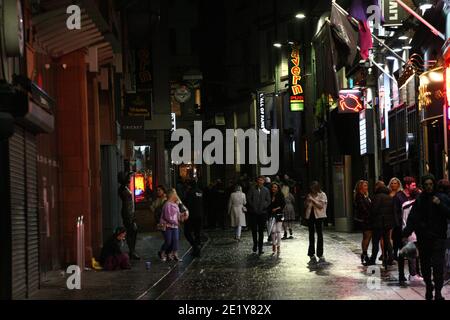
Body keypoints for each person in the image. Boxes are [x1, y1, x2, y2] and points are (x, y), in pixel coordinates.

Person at [403, 174, 450, 300]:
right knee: (425, 266)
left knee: (438, 266)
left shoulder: (442, 197)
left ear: (433, 184)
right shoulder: (420, 200)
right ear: (423, 186)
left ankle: (438, 292)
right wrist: (406, 232)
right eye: (426, 184)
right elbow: (412, 218)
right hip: (424, 239)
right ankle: (429, 287)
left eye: (431, 184)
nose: (429, 187)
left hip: (438, 238)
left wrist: (439, 204)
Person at [367, 181, 394, 267]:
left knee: (375, 242)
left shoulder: (377, 197)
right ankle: (390, 258)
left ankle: (373, 259)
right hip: (387, 224)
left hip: (378, 223)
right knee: (387, 241)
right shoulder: (389, 197)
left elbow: (373, 210)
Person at [398, 188, 423, 283]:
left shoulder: (405, 204)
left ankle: (414, 274)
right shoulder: (416, 205)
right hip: (413, 232)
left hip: (405, 230)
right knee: (414, 255)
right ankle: (413, 274)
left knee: (410, 254)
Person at [246, 176, 271, 255]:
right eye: (259, 180)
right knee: (254, 230)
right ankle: (255, 245)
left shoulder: (266, 190)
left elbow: (268, 200)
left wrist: (264, 205)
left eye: (262, 180)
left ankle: (260, 248)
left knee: (261, 231)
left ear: (263, 181)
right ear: (257, 181)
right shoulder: (252, 189)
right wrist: (253, 205)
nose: (260, 181)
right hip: (253, 213)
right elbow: (248, 198)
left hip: (262, 213)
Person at [305, 181, 328, 264]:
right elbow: (306, 205)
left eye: (314, 188)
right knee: (311, 235)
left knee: (320, 234)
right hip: (310, 215)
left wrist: (312, 200)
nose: (312, 189)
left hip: (319, 216)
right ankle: (311, 253)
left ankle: (320, 254)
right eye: (311, 188)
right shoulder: (309, 194)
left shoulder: (322, 194)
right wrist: (307, 202)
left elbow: (321, 206)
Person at [118, 172, 140, 260]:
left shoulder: (126, 187)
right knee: (132, 231)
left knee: (133, 231)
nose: (129, 179)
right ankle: (132, 251)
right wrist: (128, 175)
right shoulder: (122, 189)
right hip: (127, 213)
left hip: (130, 211)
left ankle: (132, 251)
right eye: (127, 178)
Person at [392, 177, 415, 260]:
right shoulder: (398, 196)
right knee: (401, 247)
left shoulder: (413, 195)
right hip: (401, 225)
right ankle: (401, 272)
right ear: (407, 186)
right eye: (413, 185)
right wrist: (398, 225)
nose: (414, 187)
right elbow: (395, 211)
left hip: (411, 225)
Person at [159, 189, 184, 262]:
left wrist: (181, 215)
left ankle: (174, 254)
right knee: (168, 241)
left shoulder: (175, 204)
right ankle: (162, 252)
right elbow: (167, 217)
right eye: (175, 194)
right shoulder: (167, 205)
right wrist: (175, 222)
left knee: (175, 240)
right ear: (171, 196)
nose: (176, 195)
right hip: (167, 226)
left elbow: (178, 214)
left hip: (174, 226)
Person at [353, 180, 372, 265]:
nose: (366, 187)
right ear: (360, 187)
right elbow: (363, 208)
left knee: (366, 237)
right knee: (367, 236)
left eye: (366, 186)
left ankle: (364, 254)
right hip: (365, 219)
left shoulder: (364, 195)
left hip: (366, 219)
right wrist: (370, 214)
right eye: (364, 186)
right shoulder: (359, 196)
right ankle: (364, 254)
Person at [184, 180, 204, 257]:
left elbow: (187, 204)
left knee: (187, 232)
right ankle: (197, 249)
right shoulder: (200, 192)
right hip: (200, 215)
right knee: (197, 233)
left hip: (191, 216)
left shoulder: (190, 193)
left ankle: (195, 247)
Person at [268, 183, 286, 255]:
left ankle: (278, 246)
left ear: (277, 188)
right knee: (272, 231)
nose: (274, 188)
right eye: (273, 187)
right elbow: (268, 205)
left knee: (278, 231)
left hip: (279, 214)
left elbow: (283, 204)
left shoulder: (280, 195)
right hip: (271, 214)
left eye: (275, 187)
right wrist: (272, 201)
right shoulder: (269, 195)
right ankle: (273, 244)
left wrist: (276, 208)